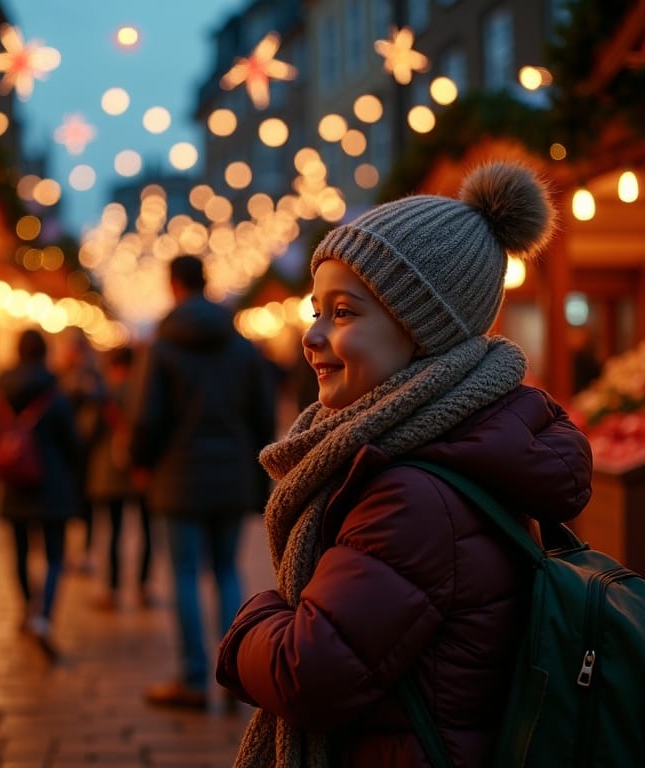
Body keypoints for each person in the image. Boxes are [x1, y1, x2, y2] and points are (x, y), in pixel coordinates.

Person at [216, 162, 594, 767]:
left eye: (344, 312)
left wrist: (247, 625)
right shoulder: (438, 450)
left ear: (422, 332)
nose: (312, 336)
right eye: (316, 311)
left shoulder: (412, 496)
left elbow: (306, 674)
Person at [130, 254, 277, 710]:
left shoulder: (164, 346)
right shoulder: (241, 345)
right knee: (228, 570)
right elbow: (264, 415)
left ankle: (194, 680)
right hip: (232, 474)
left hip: (179, 477)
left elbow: (146, 417)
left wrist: (140, 462)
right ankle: (234, 678)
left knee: (185, 574)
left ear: (174, 285)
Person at [0, 328, 80, 661]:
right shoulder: (55, 392)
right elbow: (72, 444)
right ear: (44, 353)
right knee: (54, 557)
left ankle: (27, 609)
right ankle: (43, 618)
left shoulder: (0, 393)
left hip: (14, 488)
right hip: (52, 488)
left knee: (20, 553)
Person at [85, 345, 154, 611]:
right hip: (141, 473)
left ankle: (113, 590)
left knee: (113, 532)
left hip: (109, 474)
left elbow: (87, 431)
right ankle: (143, 586)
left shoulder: (104, 394)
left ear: (113, 366)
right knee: (147, 531)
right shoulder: (144, 393)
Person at [56, 327, 107, 574]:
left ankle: (84, 553)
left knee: (86, 507)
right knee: (65, 505)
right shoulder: (60, 377)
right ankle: (66, 553)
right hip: (65, 453)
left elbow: (100, 408)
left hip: (86, 453)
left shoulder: (93, 376)